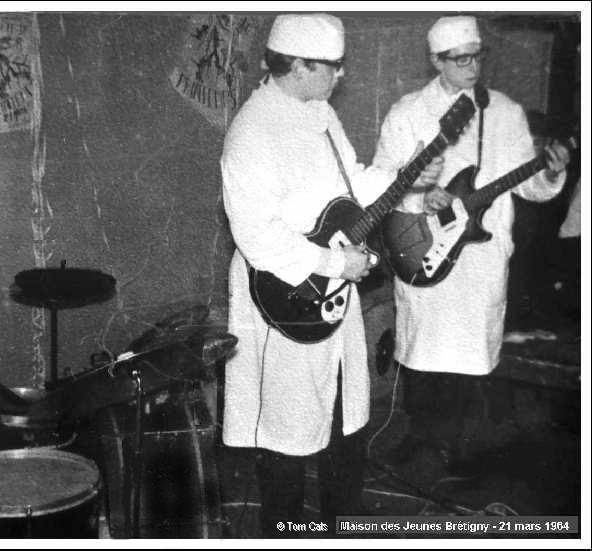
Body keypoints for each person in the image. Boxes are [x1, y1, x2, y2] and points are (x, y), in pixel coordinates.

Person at [220, 14, 443, 536]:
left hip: (332, 284)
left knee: (345, 412)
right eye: (331, 66)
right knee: (286, 430)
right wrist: (334, 264)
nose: (340, 75)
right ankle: (285, 532)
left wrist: (407, 177)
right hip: (282, 294)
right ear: (298, 66)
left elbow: (353, 184)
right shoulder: (252, 132)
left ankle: (345, 526)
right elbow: (256, 236)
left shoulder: (319, 114)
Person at [372, 16, 571, 468]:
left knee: (471, 355)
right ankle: (420, 435)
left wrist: (551, 173)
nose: (473, 67)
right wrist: (421, 194)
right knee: (423, 347)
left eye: (477, 57)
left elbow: (530, 186)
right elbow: (382, 179)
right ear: (436, 61)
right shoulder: (408, 112)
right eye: (460, 60)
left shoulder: (505, 112)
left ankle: (461, 445)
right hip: (423, 241)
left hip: (480, 254)